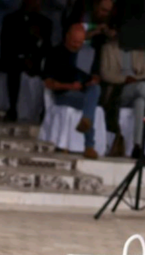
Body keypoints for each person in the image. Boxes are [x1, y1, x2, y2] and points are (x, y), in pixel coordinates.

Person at [43, 23, 101, 159]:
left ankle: (86, 120)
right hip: (64, 94)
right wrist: (69, 86)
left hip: (83, 92)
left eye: (80, 42)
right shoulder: (55, 53)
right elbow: (48, 82)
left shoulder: (87, 53)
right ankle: (89, 146)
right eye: (74, 42)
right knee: (90, 105)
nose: (77, 45)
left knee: (96, 89)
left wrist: (93, 79)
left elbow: (95, 75)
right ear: (67, 37)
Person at [0, 0, 52, 122]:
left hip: (36, 62)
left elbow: (48, 49)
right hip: (14, 59)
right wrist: (22, 58)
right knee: (14, 69)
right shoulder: (11, 19)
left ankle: (43, 113)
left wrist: (39, 39)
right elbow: (7, 46)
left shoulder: (46, 22)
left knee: (49, 72)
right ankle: (12, 109)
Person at [99, 34, 145, 158]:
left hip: (135, 88)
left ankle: (137, 146)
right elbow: (105, 74)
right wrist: (125, 79)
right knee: (143, 87)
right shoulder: (108, 48)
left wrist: (134, 79)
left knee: (141, 102)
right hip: (117, 90)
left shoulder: (139, 49)